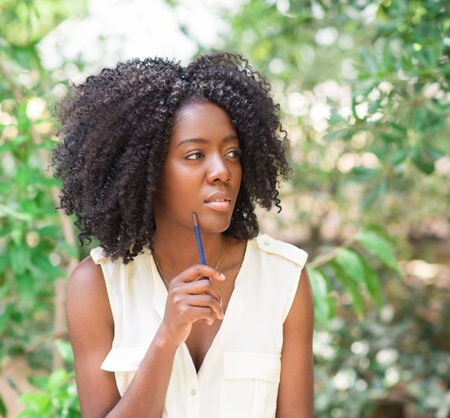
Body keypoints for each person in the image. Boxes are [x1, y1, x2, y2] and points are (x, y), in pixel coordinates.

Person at [52, 52, 314, 418]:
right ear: (147, 171)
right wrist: (166, 337)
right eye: (195, 155)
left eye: (232, 152)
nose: (222, 171)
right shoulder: (96, 287)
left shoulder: (284, 278)